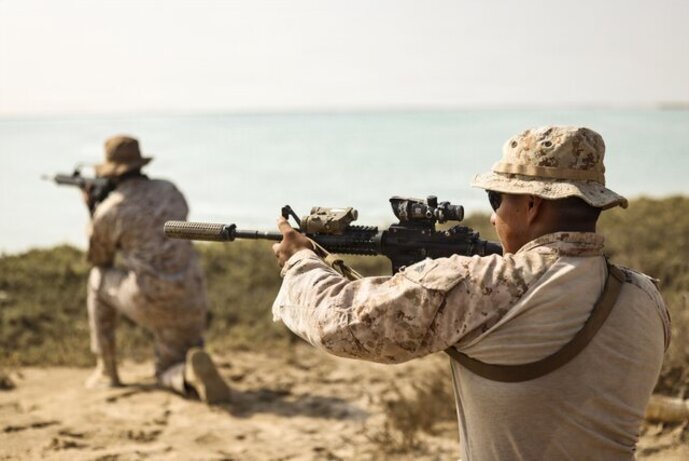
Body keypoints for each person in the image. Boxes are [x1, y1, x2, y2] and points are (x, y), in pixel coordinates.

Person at [270, 126, 670, 459]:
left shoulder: (483, 283)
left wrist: (299, 261)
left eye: (498, 199)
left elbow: (339, 323)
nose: (494, 217)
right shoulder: (645, 297)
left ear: (532, 205)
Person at [84, 135, 231, 404]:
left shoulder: (111, 209)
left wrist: (92, 210)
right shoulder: (170, 190)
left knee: (97, 280)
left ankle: (107, 370)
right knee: (171, 363)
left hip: (150, 299)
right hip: (192, 297)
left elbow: (99, 258)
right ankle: (187, 373)